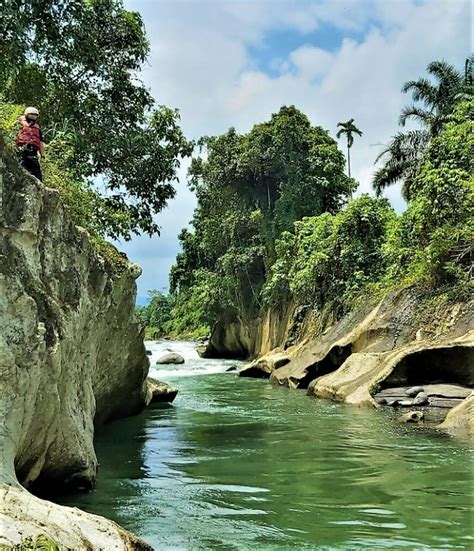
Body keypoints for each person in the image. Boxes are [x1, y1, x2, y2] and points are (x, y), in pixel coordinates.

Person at [16, 106, 45, 181]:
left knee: (38, 176)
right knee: (21, 173)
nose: (33, 116)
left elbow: (40, 142)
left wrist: (43, 155)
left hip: (33, 153)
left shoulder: (37, 128)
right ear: (26, 114)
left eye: (35, 115)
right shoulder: (19, 124)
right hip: (21, 151)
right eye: (31, 114)